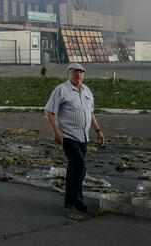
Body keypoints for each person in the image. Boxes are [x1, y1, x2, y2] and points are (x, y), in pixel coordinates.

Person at [44, 63, 105, 213]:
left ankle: (69, 200)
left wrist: (98, 130)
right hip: (68, 136)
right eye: (75, 72)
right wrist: (56, 132)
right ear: (68, 74)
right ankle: (78, 201)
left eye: (81, 72)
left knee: (74, 169)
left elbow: (90, 113)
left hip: (83, 136)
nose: (78, 75)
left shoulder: (86, 90)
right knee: (80, 166)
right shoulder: (61, 90)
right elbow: (49, 111)